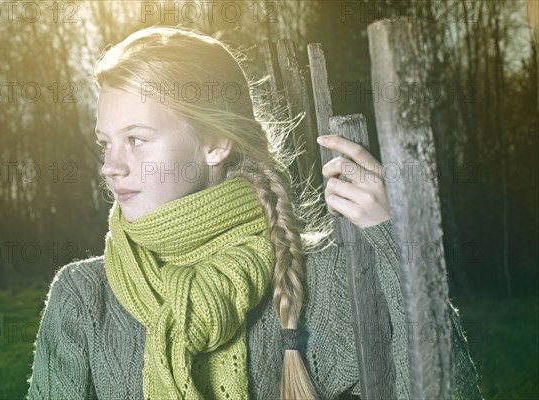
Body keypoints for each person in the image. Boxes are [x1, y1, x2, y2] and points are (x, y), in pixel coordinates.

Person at [26, 26, 482, 399]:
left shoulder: (318, 282)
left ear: (215, 144)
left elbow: (444, 390)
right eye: (106, 142)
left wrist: (390, 240)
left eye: (138, 139)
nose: (111, 166)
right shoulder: (84, 298)